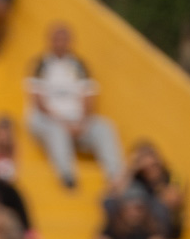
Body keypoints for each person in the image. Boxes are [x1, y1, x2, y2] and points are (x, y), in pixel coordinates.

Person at [23, 22, 122, 191]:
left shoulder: (79, 65)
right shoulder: (41, 64)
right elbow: (38, 101)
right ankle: (67, 175)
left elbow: (88, 96)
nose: (60, 43)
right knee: (56, 130)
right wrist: (63, 123)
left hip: (77, 119)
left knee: (104, 127)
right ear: (50, 41)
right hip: (49, 118)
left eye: (64, 39)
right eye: (57, 39)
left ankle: (116, 175)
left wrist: (81, 122)